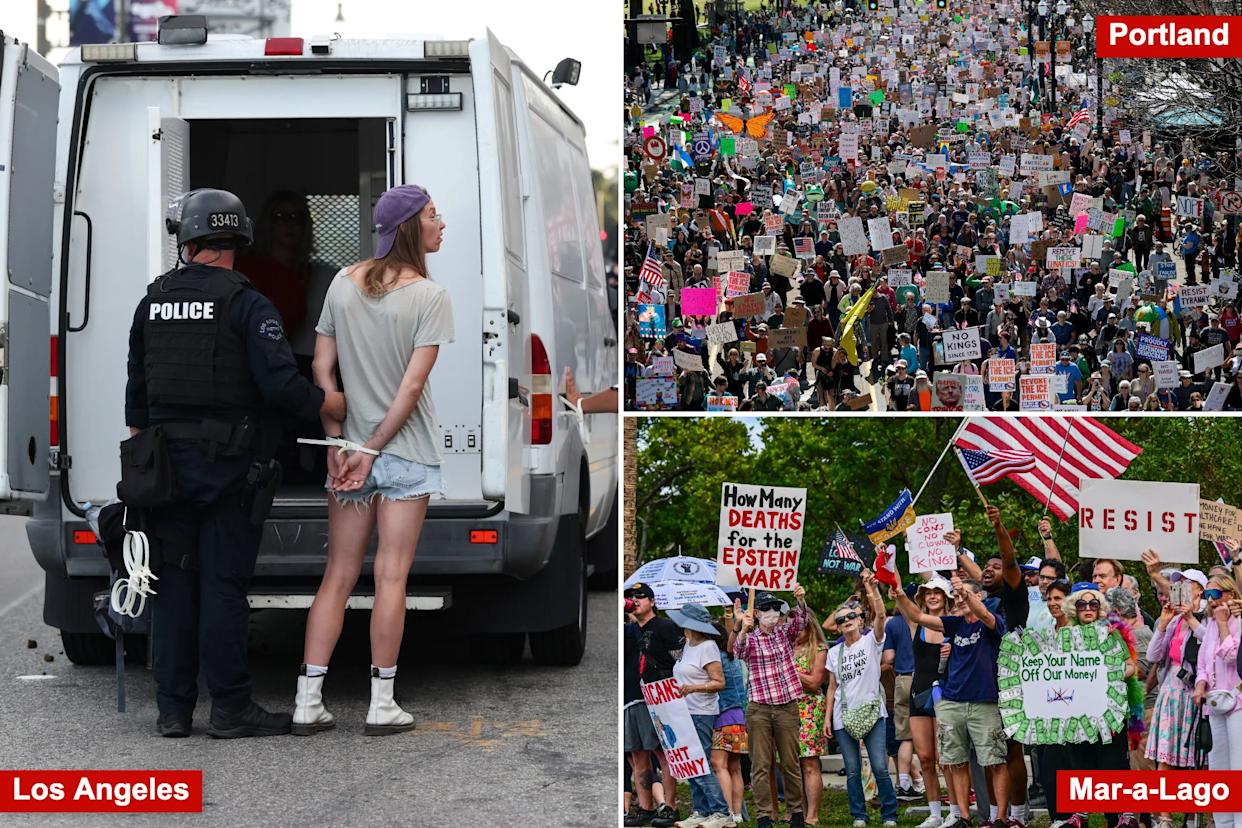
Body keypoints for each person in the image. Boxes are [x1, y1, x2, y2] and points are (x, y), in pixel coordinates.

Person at [125, 188, 346, 738]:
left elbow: (136, 397)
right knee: (222, 586)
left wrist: (150, 461)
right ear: (239, 239)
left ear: (188, 240)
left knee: (173, 585)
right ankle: (229, 708)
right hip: (226, 467)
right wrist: (330, 406)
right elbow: (279, 387)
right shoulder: (247, 303)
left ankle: (173, 711)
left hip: (165, 469)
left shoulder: (152, 300)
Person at [292, 184, 452, 737]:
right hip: (404, 454)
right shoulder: (430, 296)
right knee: (390, 576)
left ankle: (307, 700)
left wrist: (340, 443)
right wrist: (372, 449)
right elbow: (410, 389)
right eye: (433, 215)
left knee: (337, 575)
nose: (441, 223)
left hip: (349, 454)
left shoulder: (342, 281)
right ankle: (381, 704)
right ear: (411, 226)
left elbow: (321, 370)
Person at [891, 569, 1012, 828]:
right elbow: (916, 615)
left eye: (962, 596)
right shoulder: (954, 624)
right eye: (956, 597)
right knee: (955, 761)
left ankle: (1001, 818)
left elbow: (983, 614)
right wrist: (899, 593)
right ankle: (963, 818)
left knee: (994, 761)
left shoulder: (991, 621)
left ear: (977, 596)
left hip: (984, 701)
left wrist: (964, 590)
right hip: (952, 701)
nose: (958, 600)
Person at [824, 570, 899, 828]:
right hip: (842, 716)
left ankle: (890, 814)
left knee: (880, 766)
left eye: (851, 616)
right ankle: (859, 815)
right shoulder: (834, 652)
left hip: (873, 712)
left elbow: (881, 615)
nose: (846, 620)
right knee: (852, 770)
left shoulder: (871, 642)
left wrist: (872, 589)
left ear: (859, 620)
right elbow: (832, 687)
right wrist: (827, 718)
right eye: (841, 618)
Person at [733, 585, 810, 828]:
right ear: (756, 613)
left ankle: (796, 813)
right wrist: (742, 629)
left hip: (787, 705)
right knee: (760, 765)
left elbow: (802, 620)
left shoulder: (784, 632)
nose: (773, 612)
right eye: (766, 608)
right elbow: (739, 651)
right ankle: (765, 816)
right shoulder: (751, 638)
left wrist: (800, 599)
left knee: (790, 762)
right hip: (760, 709)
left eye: (776, 607)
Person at [626, 581, 685, 828]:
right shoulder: (629, 630)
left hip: (659, 697)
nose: (635, 600)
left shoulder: (664, 626)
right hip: (633, 697)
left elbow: (679, 660)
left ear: (652, 602)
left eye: (641, 596)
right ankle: (645, 806)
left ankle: (670, 806)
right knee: (638, 755)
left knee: (663, 753)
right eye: (632, 596)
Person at [667, 602, 731, 828]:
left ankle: (721, 811)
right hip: (685, 711)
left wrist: (692, 689)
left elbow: (719, 682)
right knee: (690, 762)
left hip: (702, 711)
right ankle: (701, 810)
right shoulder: (687, 645)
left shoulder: (708, 647)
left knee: (700, 762)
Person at [1194, 576, 1242, 828]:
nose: (1211, 601)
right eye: (1208, 595)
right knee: (1219, 769)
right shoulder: (1210, 624)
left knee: (1238, 769)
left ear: (1230, 593)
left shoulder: (1237, 621)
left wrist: (1225, 624)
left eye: (1216, 594)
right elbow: (1203, 662)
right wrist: (1200, 683)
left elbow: (1233, 656)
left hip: (1238, 702)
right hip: (1214, 702)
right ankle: (1223, 823)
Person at [905, 577, 953, 828]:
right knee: (925, 757)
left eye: (938, 593)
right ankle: (934, 813)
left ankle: (955, 810)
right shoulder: (917, 623)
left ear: (946, 597)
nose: (933, 597)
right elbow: (902, 603)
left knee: (946, 757)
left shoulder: (954, 623)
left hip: (946, 693)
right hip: (919, 693)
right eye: (928, 593)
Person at [711, 611, 748, 826]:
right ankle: (737, 813)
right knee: (735, 767)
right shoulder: (734, 657)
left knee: (719, 765)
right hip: (739, 717)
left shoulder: (717, 659)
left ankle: (726, 812)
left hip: (723, 716)